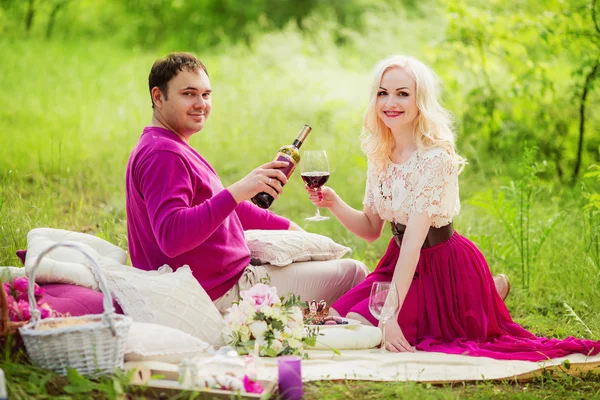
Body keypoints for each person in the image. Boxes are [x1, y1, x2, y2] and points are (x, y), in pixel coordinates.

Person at [305, 55, 600, 361]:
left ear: (421, 100)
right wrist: (334, 203)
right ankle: (483, 296)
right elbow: (370, 230)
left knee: (365, 328)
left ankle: (476, 296)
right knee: (330, 317)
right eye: (383, 93)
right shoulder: (379, 153)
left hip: (440, 265)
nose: (390, 102)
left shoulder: (434, 159)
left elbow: (413, 247)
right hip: (398, 264)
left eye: (402, 93)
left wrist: (389, 316)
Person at [125, 52, 368, 313]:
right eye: (188, 94)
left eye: (206, 95)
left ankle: (303, 322)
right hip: (220, 292)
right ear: (158, 96)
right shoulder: (164, 154)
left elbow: (228, 207)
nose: (200, 103)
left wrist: (290, 229)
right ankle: (319, 330)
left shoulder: (166, 145)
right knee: (354, 273)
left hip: (224, 280)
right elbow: (172, 237)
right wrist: (239, 189)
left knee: (311, 263)